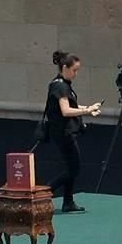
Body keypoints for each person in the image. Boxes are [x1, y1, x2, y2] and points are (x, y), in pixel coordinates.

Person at [44, 50, 101, 214]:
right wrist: (87, 110)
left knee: (72, 167)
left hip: (66, 132)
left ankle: (68, 201)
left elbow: (73, 107)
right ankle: (46, 192)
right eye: (74, 70)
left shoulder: (64, 85)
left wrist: (89, 109)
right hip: (63, 133)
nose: (76, 74)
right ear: (64, 68)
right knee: (74, 169)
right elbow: (66, 111)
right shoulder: (59, 86)